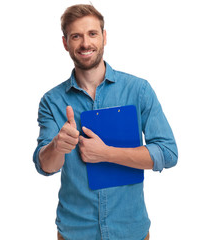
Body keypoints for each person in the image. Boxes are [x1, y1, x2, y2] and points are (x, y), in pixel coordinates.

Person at [33, 4, 178, 240]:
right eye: (76, 36)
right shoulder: (52, 101)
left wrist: (107, 153)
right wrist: (57, 146)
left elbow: (168, 153)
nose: (85, 43)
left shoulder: (138, 90)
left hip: (130, 231)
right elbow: (45, 166)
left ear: (104, 37)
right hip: (74, 232)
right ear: (65, 43)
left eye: (92, 34)